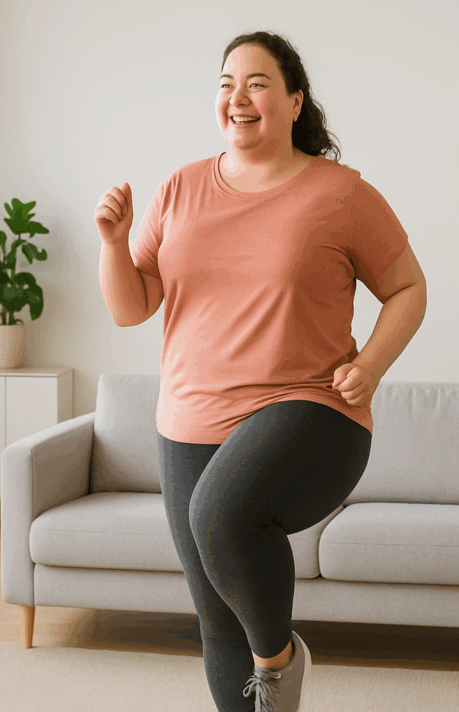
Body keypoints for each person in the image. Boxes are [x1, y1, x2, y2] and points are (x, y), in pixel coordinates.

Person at [95, 31, 427, 712]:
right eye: (225, 83)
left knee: (221, 511)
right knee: (218, 623)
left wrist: (371, 364)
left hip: (312, 408)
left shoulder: (340, 193)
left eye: (256, 82)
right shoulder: (182, 188)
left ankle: (280, 657)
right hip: (188, 419)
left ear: (294, 100)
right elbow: (133, 306)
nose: (236, 97)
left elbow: (408, 288)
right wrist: (112, 243)